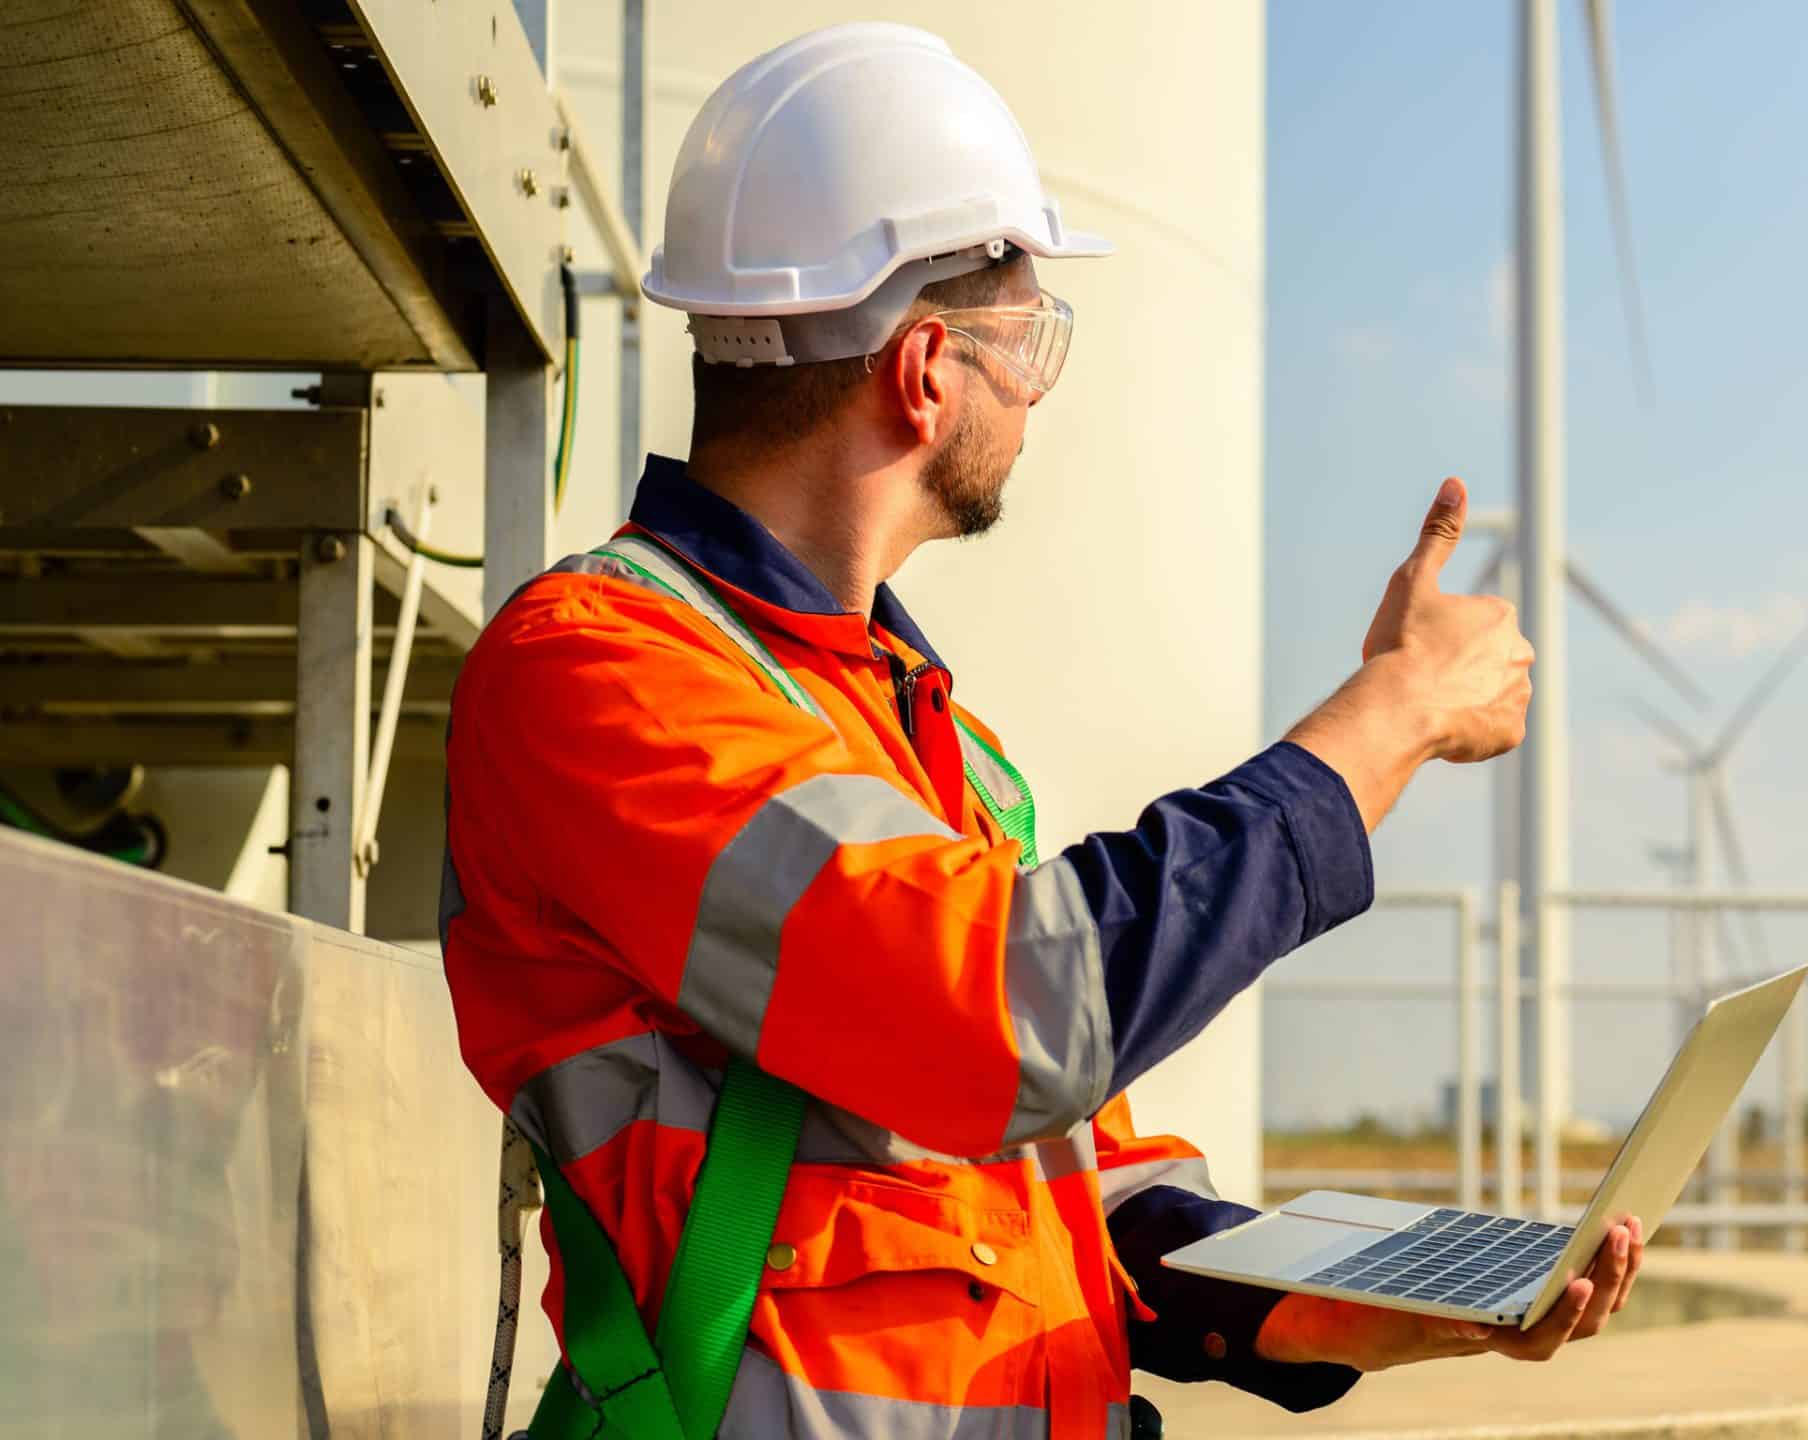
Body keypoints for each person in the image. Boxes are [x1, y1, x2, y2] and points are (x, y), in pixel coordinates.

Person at [440, 23, 1641, 1440]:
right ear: (927, 367)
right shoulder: (599, 670)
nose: (1038, 391)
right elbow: (995, 1013)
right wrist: (1389, 721)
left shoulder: (936, 746)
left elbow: (1071, 1182)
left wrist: (1357, 1303)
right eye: (1034, 339)